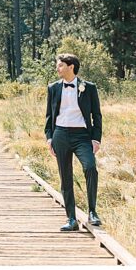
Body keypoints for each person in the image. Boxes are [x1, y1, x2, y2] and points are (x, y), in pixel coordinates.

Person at [44, 52, 103, 231]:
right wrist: (49, 138)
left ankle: (92, 212)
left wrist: (96, 139)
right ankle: (71, 219)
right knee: (65, 176)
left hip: (82, 136)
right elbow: (49, 116)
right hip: (60, 135)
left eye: (60, 65)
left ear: (71, 67)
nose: (57, 68)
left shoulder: (89, 88)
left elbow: (97, 115)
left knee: (90, 167)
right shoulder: (53, 88)